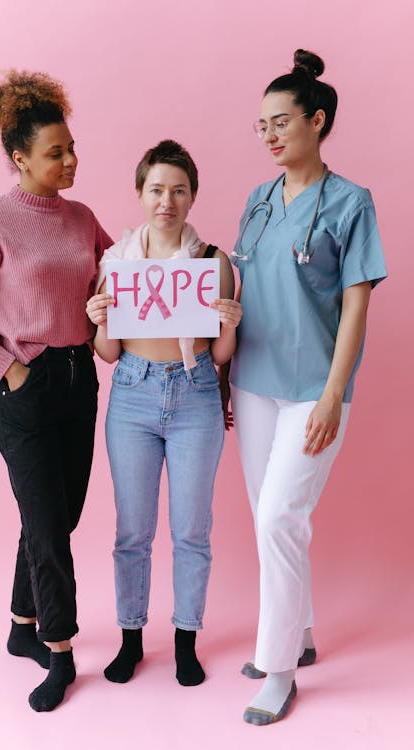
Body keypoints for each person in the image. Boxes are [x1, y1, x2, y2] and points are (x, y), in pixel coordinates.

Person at [0, 70, 112, 712]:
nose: (70, 161)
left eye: (72, 149)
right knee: (48, 528)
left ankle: (20, 626)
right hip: (27, 390)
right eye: (55, 153)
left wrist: (196, 275)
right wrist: (7, 369)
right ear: (20, 159)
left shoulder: (83, 217)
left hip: (80, 382)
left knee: (57, 518)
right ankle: (59, 651)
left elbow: (120, 277)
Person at [227, 50, 387, 724]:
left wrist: (332, 393)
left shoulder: (351, 202)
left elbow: (356, 304)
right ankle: (306, 632)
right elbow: (241, 292)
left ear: (318, 122)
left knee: (278, 519)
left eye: (282, 122)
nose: (268, 135)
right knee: (276, 525)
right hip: (254, 382)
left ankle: (279, 671)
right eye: (261, 124)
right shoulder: (258, 201)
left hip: (311, 389)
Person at [86, 140, 242, 686]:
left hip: (196, 390)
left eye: (178, 190)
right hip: (132, 392)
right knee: (132, 530)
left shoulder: (211, 261)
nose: (167, 201)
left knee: (192, 530)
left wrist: (230, 322)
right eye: (157, 189)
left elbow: (220, 354)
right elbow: (108, 353)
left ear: (193, 196)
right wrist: (98, 318)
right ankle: (130, 638)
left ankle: (185, 640)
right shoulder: (117, 263)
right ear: (139, 193)